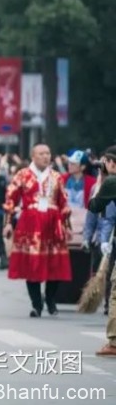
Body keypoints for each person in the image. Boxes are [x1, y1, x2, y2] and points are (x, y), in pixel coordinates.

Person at [3, 143, 72, 317]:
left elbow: (63, 201)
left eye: (48, 153)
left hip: (52, 224)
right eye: (41, 153)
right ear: (33, 156)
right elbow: (10, 198)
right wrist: (8, 222)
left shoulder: (56, 176)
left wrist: (66, 224)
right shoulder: (23, 175)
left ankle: (50, 298)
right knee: (31, 264)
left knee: (54, 264)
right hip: (30, 224)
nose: (45, 156)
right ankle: (36, 304)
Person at [88, 147, 116, 357]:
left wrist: (102, 180)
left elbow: (94, 206)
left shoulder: (111, 182)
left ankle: (114, 342)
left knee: (115, 293)